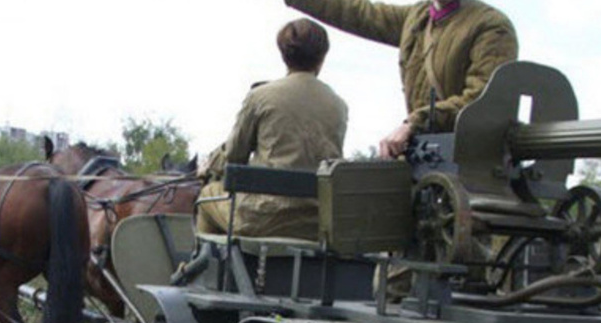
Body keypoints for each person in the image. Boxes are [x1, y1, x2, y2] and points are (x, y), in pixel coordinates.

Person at [284, 0, 518, 158]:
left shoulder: (490, 27)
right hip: (424, 155)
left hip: (468, 161)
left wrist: (414, 123)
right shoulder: (418, 17)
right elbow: (360, 13)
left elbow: (481, 100)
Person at [196, 18, 348, 240]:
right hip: (315, 222)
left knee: (207, 195)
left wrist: (210, 168)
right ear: (322, 57)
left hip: (262, 217)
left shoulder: (261, 96)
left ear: (283, 54)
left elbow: (234, 156)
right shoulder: (339, 105)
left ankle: (204, 270)